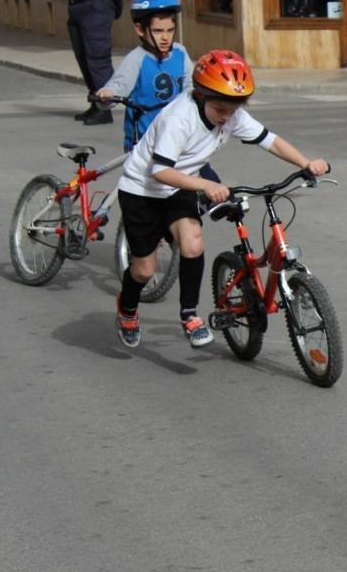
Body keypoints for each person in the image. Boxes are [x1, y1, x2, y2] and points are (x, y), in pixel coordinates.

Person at [113, 50, 329, 349]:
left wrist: (305, 163)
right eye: (219, 109)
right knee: (144, 270)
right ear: (201, 95)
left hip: (180, 186)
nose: (226, 117)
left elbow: (270, 140)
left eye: (233, 109)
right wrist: (205, 185)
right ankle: (127, 310)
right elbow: (160, 171)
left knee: (193, 244)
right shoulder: (180, 119)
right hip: (143, 190)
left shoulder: (230, 113)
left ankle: (189, 315)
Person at [95, 0, 193, 153]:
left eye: (170, 30)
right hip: (144, 142)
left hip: (178, 136)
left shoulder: (180, 53)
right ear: (140, 29)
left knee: (207, 176)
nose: (165, 37)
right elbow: (118, 86)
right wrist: (107, 94)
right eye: (158, 31)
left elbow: (191, 85)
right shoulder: (137, 59)